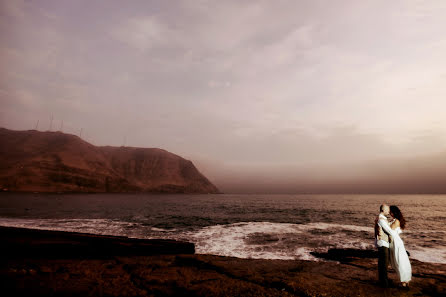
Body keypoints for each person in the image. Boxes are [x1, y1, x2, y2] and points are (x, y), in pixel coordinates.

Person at [389, 205, 412, 288]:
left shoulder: (396, 221)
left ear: (394, 212)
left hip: (396, 243)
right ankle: (405, 280)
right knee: (398, 261)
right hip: (394, 242)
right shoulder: (394, 220)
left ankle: (404, 281)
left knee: (400, 261)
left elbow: (389, 230)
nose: (389, 213)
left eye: (390, 211)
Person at [374, 204, 394, 287]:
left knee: (383, 263)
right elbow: (389, 230)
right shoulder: (381, 220)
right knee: (384, 264)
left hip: (383, 242)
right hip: (383, 243)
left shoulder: (382, 219)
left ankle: (383, 280)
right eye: (388, 210)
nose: (389, 211)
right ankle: (384, 282)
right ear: (383, 210)